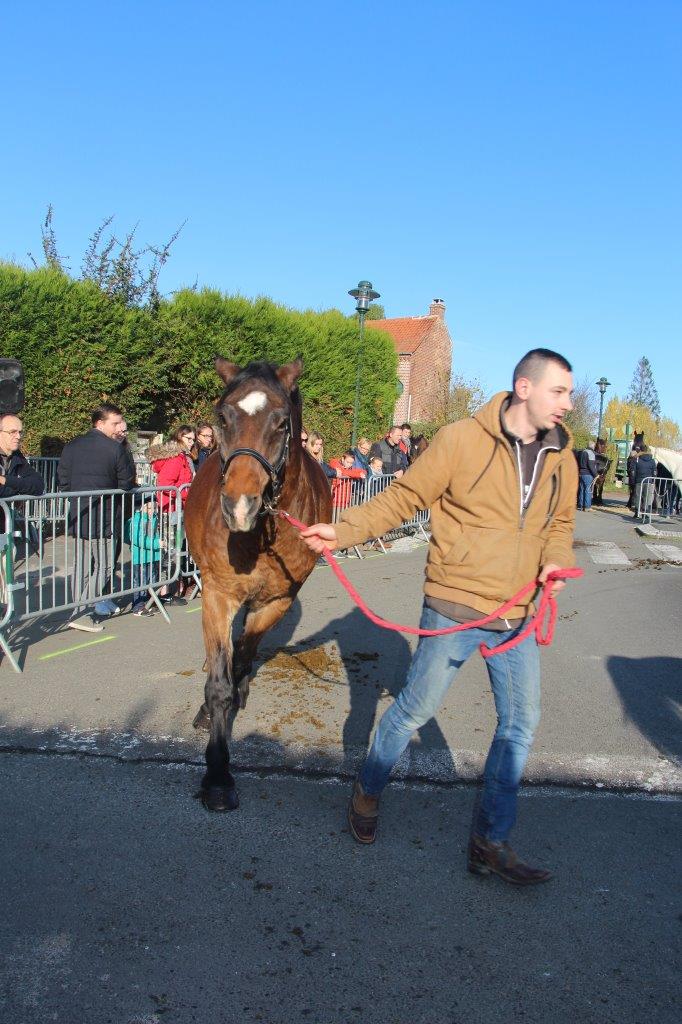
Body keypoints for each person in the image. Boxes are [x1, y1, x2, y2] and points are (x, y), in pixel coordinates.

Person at [301, 348, 577, 885]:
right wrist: (344, 530)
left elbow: (559, 523)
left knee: (519, 725)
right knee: (412, 712)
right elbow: (403, 498)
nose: (567, 403)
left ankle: (489, 842)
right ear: (524, 387)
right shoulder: (461, 440)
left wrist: (555, 562)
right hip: (453, 605)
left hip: (518, 612)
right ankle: (367, 791)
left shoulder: (562, 455)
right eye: (559, 391)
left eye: (569, 392)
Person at [58, 402, 135, 631]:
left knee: (82, 566)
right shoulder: (115, 449)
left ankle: (77, 610)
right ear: (99, 423)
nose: (118, 428)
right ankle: (82, 612)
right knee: (105, 566)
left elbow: (63, 481)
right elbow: (125, 484)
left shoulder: (71, 446)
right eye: (114, 423)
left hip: (79, 516)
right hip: (105, 518)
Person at [148, 425, 196, 601]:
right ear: (179, 438)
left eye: (192, 439)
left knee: (174, 550)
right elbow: (166, 483)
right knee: (169, 551)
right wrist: (185, 494)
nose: (191, 443)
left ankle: (166, 591)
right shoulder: (176, 458)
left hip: (178, 509)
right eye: (188, 439)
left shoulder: (183, 457)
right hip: (170, 510)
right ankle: (162, 593)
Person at [126, 498, 164, 616]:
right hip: (141, 558)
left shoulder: (155, 519)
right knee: (140, 582)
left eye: (155, 508)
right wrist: (157, 543)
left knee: (152, 581)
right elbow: (138, 539)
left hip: (154, 556)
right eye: (149, 508)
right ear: (142, 507)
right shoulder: (135, 521)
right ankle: (138, 606)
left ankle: (149, 603)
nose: (152, 511)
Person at [632, 445, 656, 519]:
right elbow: (654, 471)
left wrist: (634, 480)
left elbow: (633, 471)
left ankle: (637, 513)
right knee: (646, 497)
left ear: (641, 451)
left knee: (638, 496)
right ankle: (644, 513)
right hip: (648, 481)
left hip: (639, 481)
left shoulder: (637, 459)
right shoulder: (652, 460)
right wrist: (653, 480)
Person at [576, 444, 598, 510]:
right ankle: (587, 507)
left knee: (582, 489)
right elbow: (591, 465)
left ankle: (580, 505)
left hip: (581, 473)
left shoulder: (582, 452)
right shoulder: (591, 453)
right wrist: (596, 474)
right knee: (588, 490)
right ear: (593, 446)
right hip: (588, 474)